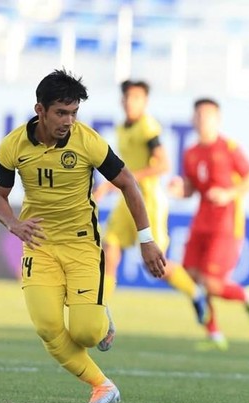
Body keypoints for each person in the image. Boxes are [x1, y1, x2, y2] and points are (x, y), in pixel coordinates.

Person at [0, 69, 166, 403]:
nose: (68, 120)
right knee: (48, 327)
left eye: (74, 113)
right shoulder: (13, 146)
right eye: (61, 112)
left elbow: (128, 183)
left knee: (86, 332)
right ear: (40, 110)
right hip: (39, 245)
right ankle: (102, 386)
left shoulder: (88, 141)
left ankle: (100, 316)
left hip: (81, 244)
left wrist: (146, 240)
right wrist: (13, 224)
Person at [93, 80, 208, 330]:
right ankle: (99, 313)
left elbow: (163, 165)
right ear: (122, 100)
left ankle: (195, 292)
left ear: (145, 102)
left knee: (155, 264)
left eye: (137, 98)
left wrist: (119, 182)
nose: (131, 102)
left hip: (148, 202)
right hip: (126, 200)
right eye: (128, 97)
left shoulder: (148, 127)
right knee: (110, 251)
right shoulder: (123, 127)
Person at [169, 98, 249, 350]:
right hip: (201, 222)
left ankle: (248, 296)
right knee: (190, 278)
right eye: (198, 115)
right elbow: (191, 189)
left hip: (226, 224)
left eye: (207, 115)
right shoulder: (191, 152)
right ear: (192, 119)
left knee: (212, 283)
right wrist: (180, 190)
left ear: (217, 120)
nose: (202, 120)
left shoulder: (229, 147)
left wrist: (229, 193)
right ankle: (214, 335)